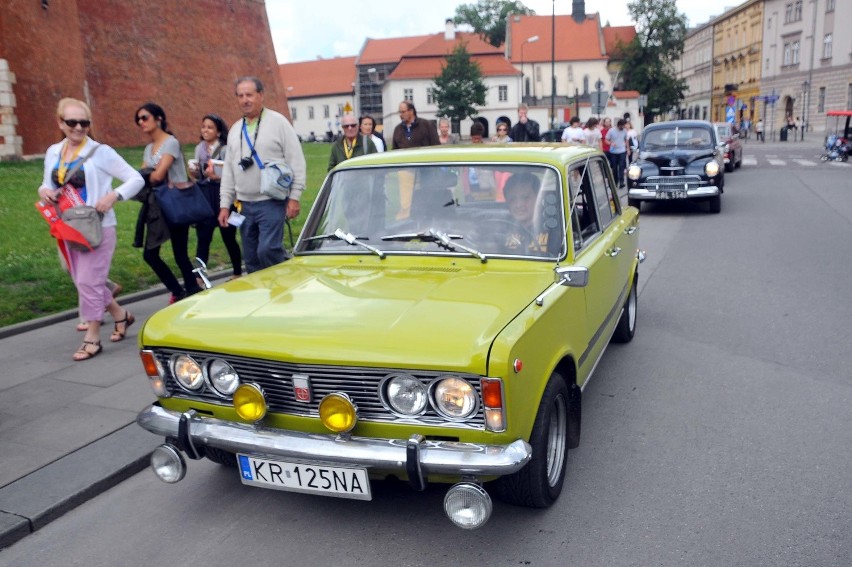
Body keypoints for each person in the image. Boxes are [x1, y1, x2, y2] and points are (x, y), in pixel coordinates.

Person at [37, 97, 144, 361]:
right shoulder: (54, 152)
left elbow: (136, 178)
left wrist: (113, 196)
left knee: (88, 281)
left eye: (84, 123)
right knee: (84, 281)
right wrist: (45, 191)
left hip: (98, 227)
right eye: (72, 122)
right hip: (68, 226)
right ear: (60, 122)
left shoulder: (101, 152)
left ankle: (92, 337)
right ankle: (121, 316)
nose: (78, 128)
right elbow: (44, 183)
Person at [219, 76, 306, 273]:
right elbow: (229, 172)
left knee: (268, 249)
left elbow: (296, 160)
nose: (245, 100)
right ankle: (262, 297)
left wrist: (295, 197)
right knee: (251, 259)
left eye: (249, 94)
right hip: (243, 205)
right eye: (240, 96)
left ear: (261, 95)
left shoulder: (278, 123)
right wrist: (225, 204)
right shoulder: (234, 130)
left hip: (271, 202)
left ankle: (287, 280)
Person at [136, 102, 203, 303]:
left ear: (159, 119)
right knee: (150, 254)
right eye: (138, 119)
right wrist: (147, 175)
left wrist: (147, 174)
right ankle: (179, 290)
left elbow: (156, 176)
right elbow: (144, 175)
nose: (141, 122)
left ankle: (190, 290)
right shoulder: (149, 148)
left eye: (145, 117)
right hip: (156, 206)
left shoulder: (171, 142)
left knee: (180, 254)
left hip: (175, 204)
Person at [189, 113, 243, 279]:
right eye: (204, 126)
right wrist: (195, 172)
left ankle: (237, 272)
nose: (205, 130)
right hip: (206, 196)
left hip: (223, 197)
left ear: (218, 132)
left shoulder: (226, 149)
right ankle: (199, 277)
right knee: (203, 237)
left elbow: (233, 174)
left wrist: (217, 176)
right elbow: (200, 177)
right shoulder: (199, 148)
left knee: (228, 236)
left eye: (210, 127)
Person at [502, 172, 550, 255]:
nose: (518, 205)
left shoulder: (553, 228)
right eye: (512, 199)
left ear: (539, 198)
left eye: (525, 197)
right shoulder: (501, 228)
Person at [605, 118, 629, 188]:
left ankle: (621, 182)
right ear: (619, 125)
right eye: (622, 126)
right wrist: (611, 143)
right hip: (613, 152)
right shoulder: (611, 130)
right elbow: (606, 140)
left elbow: (626, 140)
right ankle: (615, 182)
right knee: (614, 168)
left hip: (622, 151)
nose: (623, 127)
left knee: (621, 167)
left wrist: (628, 149)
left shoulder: (624, 131)